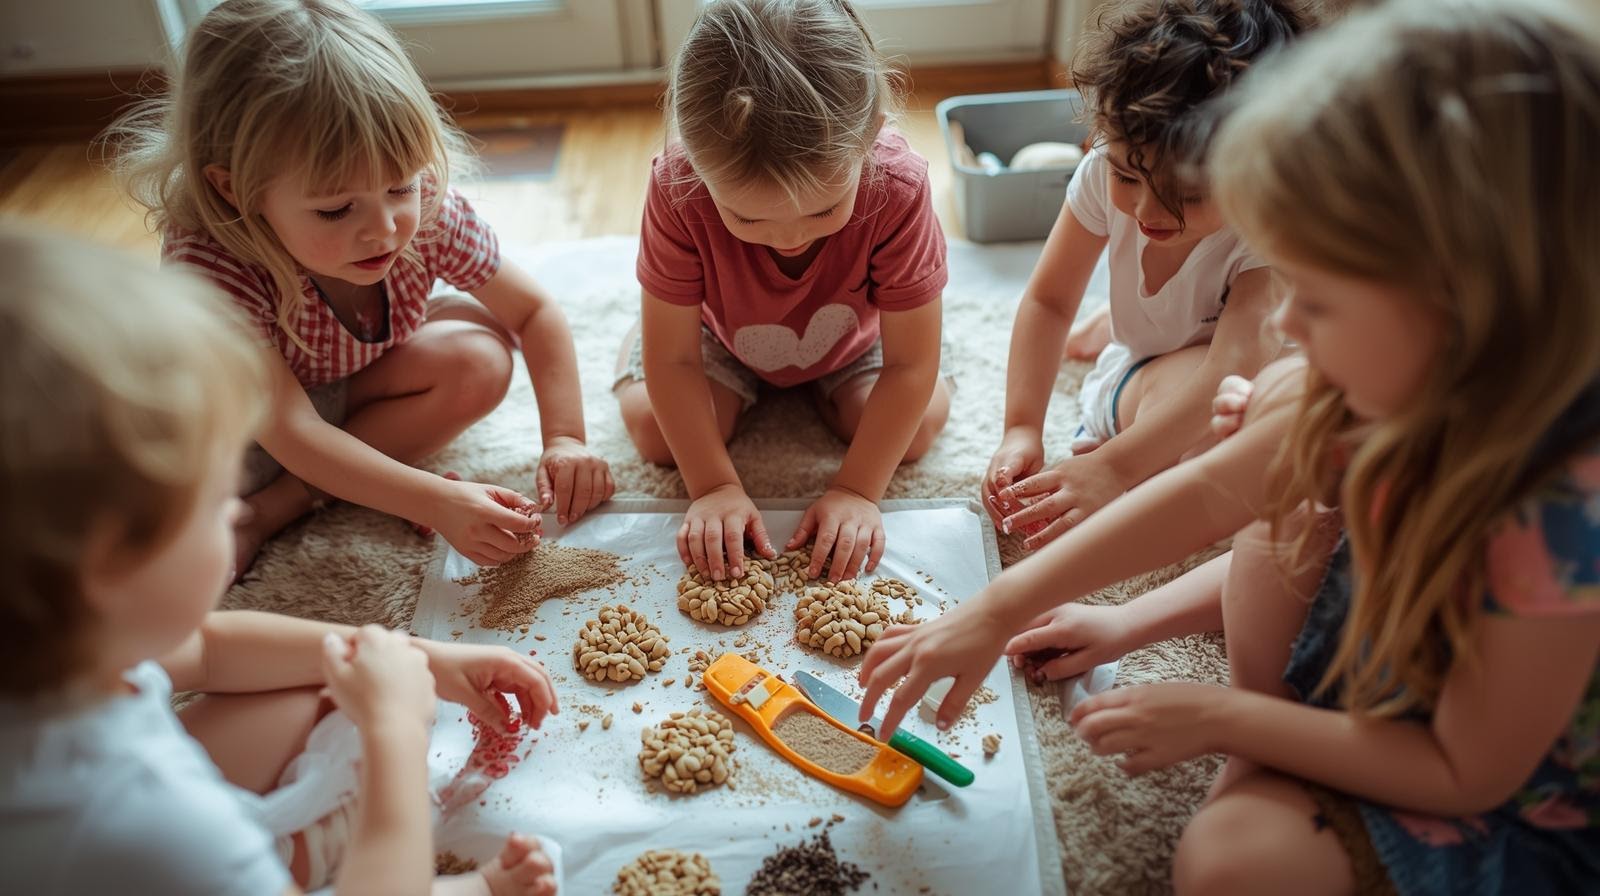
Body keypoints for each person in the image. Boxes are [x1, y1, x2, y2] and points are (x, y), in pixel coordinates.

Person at [860, 1, 1600, 891]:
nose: (1283, 321)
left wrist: (1225, 721)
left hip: (1487, 779)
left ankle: (1274, 733)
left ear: (1456, 309)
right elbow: (1217, 500)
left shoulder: (1562, 525)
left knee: (1228, 868)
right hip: (1364, 664)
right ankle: (1282, 727)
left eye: (1315, 300)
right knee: (1273, 428)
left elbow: (1467, 771)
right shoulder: (1349, 388)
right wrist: (1050, 614)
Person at [0, 226, 562, 895]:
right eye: (214, 505)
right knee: (357, 716)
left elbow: (208, 649)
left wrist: (420, 659)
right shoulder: (153, 828)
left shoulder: (59, 646)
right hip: (189, 860)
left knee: (328, 682)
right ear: (106, 567)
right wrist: (396, 737)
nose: (239, 514)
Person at [111, 0, 613, 578]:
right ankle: (270, 506)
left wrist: (566, 439)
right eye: (335, 210)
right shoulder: (213, 262)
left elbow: (533, 312)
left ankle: (281, 507)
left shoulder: (425, 209)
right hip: (248, 419)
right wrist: (427, 497)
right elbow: (294, 430)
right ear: (235, 191)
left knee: (478, 358)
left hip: (345, 379)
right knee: (161, 518)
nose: (384, 228)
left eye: (401, 186)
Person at [616, 0, 951, 584]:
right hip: (717, 333)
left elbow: (910, 363)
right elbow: (673, 361)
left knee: (916, 428)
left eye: (824, 211)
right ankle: (643, 324)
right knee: (654, 432)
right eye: (748, 221)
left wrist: (856, 490)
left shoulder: (899, 186)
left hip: (854, 337)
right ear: (695, 162)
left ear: (871, 133)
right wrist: (714, 488)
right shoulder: (676, 185)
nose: (790, 239)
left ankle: (842, 374)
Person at [982, 0, 1309, 549]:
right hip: (1154, 371)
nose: (1148, 214)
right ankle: (1121, 326)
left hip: (1248, 370)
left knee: (1249, 463)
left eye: (1189, 196)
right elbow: (1049, 301)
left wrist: (1112, 469)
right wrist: (1022, 427)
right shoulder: (1103, 169)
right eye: (1128, 177)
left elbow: (1232, 368)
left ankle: (1121, 323)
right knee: (1189, 462)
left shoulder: (1273, 228)